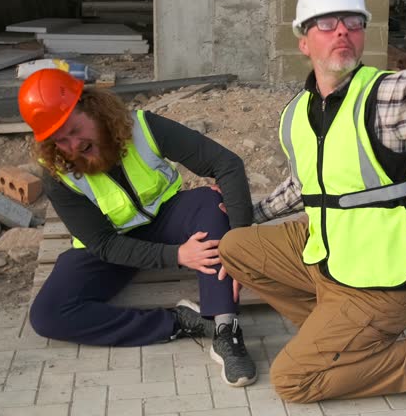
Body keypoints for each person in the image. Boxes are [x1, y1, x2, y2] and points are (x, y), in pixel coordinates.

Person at [218, 0, 406, 403]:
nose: (342, 30)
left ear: (362, 36)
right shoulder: (296, 113)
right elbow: (305, 185)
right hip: (330, 255)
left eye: (353, 22)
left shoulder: (384, 99)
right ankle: (341, 337)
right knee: (235, 246)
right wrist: (249, 213)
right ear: (304, 42)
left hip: (384, 279)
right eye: (327, 23)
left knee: (293, 381)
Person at [19, 68, 256, 387]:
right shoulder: (56, 175)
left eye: (75, 129)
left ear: (92, 108)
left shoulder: (143, 127)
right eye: (60, 140)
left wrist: (239, 243)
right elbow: (103, 244)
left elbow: (226, 164)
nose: (74, 145)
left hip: (167, 219)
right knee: (47, 315)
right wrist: (177, 256)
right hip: (112, 247)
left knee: (210, 204)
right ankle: (178, 323)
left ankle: (226, 330)